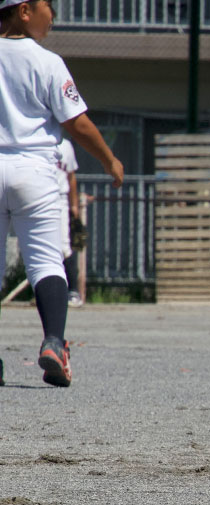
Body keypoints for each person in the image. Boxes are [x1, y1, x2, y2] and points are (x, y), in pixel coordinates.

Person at [0, 0, 123, 387]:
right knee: (46, 263)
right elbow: (77, 123)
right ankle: (54, 342)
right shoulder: (47, 62)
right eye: (47, 6)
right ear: (24, 10)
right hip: (35, 173)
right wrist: (109, 159)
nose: (53, 16)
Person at [56, 138, 84, 307]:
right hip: (35, 198)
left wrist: (74, 205)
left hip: (59, 199)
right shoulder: (32, 141)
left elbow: (71, 176)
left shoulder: (65, 145)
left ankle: (73, 290)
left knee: (65, 246)